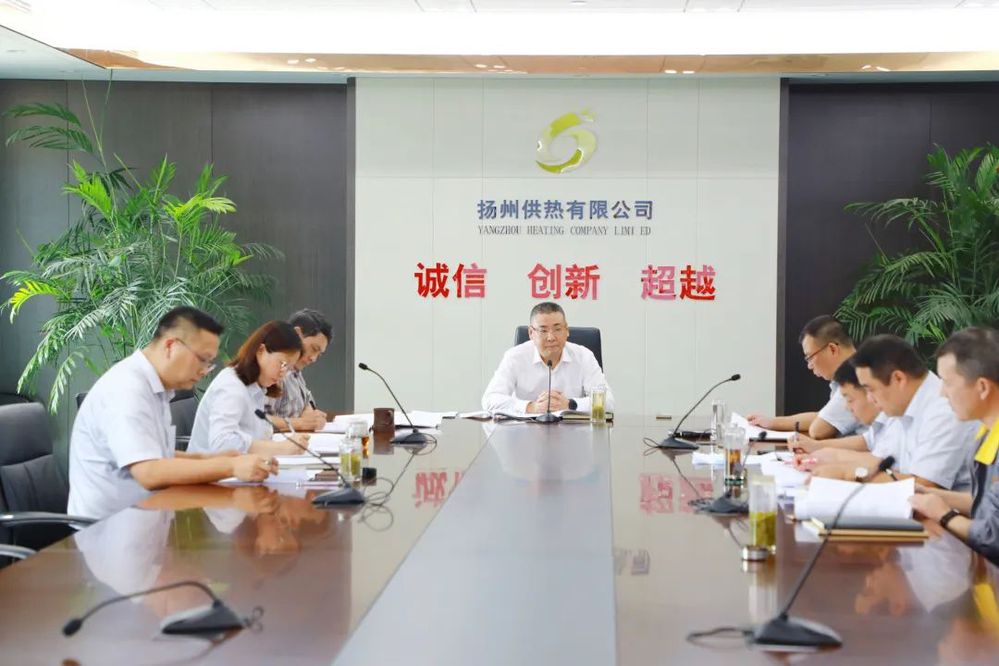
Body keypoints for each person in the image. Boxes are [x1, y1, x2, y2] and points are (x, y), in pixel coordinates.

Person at [68, 306, 276, 520]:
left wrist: (209, 458)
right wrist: (230, 466)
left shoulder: (156, 388)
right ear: (171, 346)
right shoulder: (127, 388)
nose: (204, 371)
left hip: (145, 516)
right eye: (202, 359)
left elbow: (155, 453)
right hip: (107, 529)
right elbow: (148, 472)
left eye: (209, 363)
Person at [801, 334, 977, 491]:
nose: (870, 399)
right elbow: (879, 460)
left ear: (898, 379)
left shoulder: (942, 411)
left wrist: (847, 473)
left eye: (870, 389)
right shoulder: (901, 406)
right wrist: (828, 458)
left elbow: (923, 487)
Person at [909, 327, 999, 562]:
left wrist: (944, 515)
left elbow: (993, 537)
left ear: (982, 387)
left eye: (947, 383)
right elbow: (986, 504)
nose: (942, 393)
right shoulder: (986, 433)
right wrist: (930, 495)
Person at [188, 320, 310, 457]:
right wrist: (280, 448)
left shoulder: (256, 388)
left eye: (288, 368)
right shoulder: (231, 386)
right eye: (282, 364)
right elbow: (221, 443)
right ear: (261, 351)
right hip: (210, 468)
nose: (283, 373)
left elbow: (256, 435)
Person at [481, 302, 613, 415]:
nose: (551, 337)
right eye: (543, 331)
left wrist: (570, 404)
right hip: (524, 432)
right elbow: (490, 400)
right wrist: (531, 407)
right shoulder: (515, 357)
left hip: (573, 432)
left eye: (557, 329)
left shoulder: (584, 356)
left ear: (567, 330)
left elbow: (608, 402)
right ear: (531, 333)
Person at [749, 315, 860, 439]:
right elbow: (824, 417)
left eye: (810, 357)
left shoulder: (857, 378)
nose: (809, 365)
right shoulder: (853, 372)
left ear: (832, 349)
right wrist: (770, 422)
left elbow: (818, 430)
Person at [791, 359, 884, 454]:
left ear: (871, 392)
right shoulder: (883, 424)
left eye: (850, 400)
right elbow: (866, 441)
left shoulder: (892, 424)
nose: (847, 408)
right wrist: (815, 446)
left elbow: (818, 430)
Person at [267, 308, 332, 432]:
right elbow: (257, 420)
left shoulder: (295, 371)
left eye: (319, 355)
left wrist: (311, 414)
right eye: (314, 349)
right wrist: (301, 423)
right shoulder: (271, 368)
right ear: (297, 334)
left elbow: (307, 404)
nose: (313, 359)